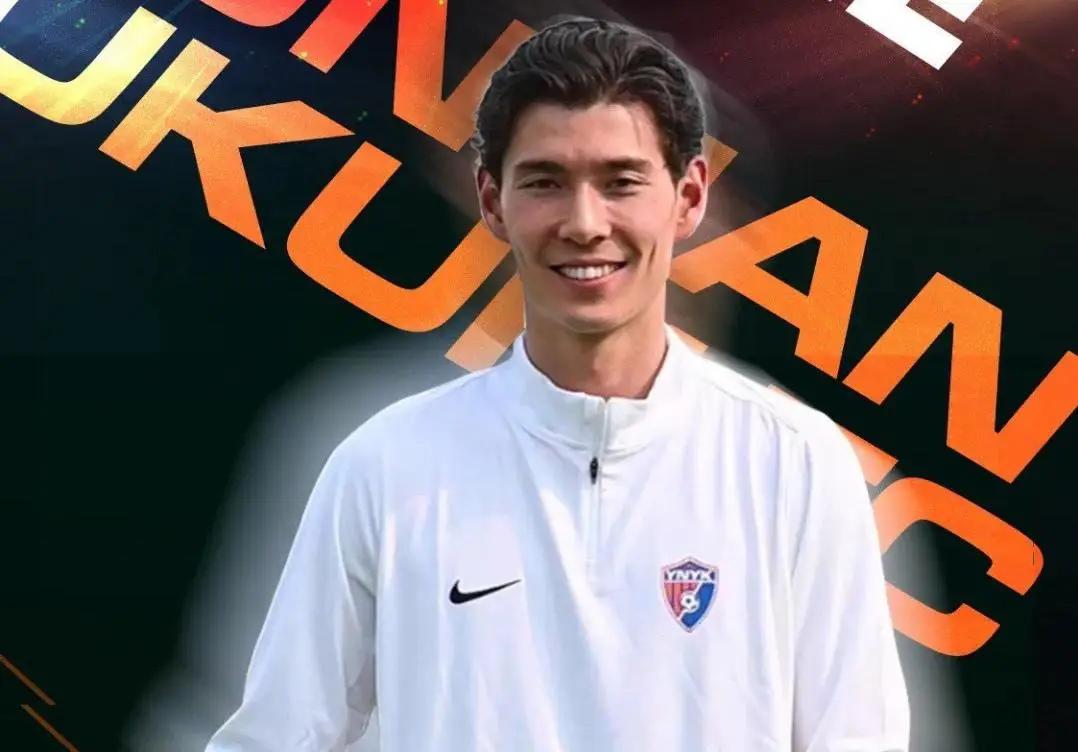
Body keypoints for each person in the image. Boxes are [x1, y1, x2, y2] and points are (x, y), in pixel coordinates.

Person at [206, 17, 910, 751]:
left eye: (622, 182)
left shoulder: (796, 461)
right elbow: (274, 735)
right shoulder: (379, 458)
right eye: (546, 182)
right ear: (491, 200)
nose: (584, 223)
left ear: (690, 197)